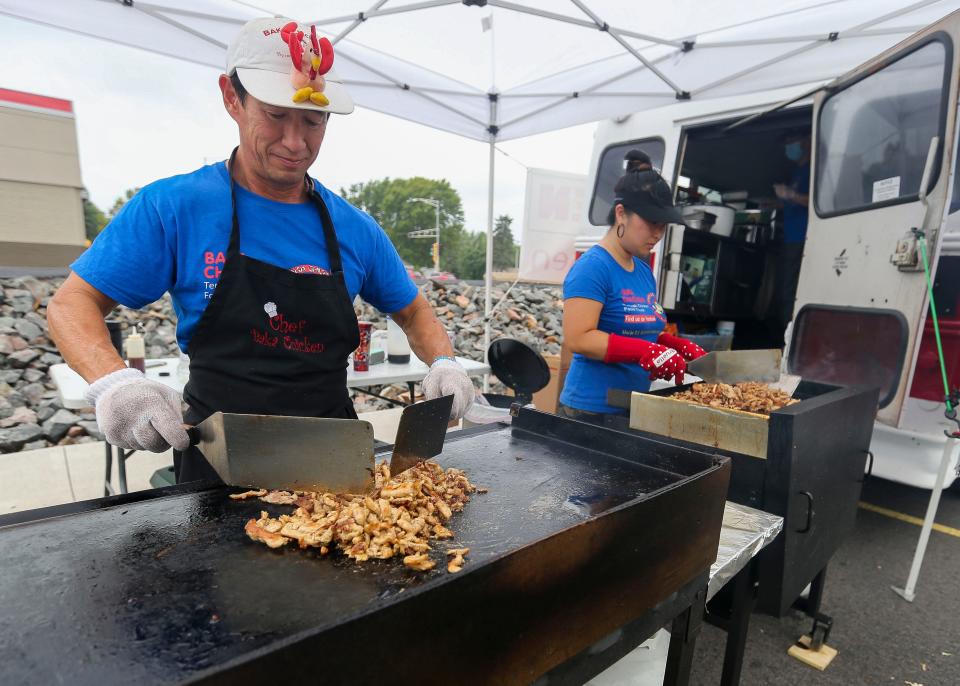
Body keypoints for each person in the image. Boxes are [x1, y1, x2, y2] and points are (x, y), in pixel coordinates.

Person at [46, 17, 475, 483]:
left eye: (313, 121)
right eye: (275, 116)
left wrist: (446, 363)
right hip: (219, 459)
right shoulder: (173, 207)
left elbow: (414, 312)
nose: (295, 142)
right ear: (232, 98)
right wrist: (115, 381)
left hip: (334, 460)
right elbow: (73, 302)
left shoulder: (355, 228)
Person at [557, 154, 707, 423]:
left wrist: (673, 345)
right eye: (651, 222)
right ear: (620, 213)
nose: (658, 233)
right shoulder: (593, 267)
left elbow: (641, 330)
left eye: (663, 224)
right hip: (589, 412)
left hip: (632, 405)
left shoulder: (642, 271)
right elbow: (578, 338)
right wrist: (645, 352)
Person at [773, 131, 811, 325]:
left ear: (806, 141)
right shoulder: (797, 172)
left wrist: (789, 194)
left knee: (791, 291)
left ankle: (786, 337)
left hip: (801, 239)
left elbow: (811, 201)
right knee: (785, 289)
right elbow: (793, 203)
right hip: (790, 238)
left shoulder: (812, 170)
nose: (789, 147)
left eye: (791, 141)